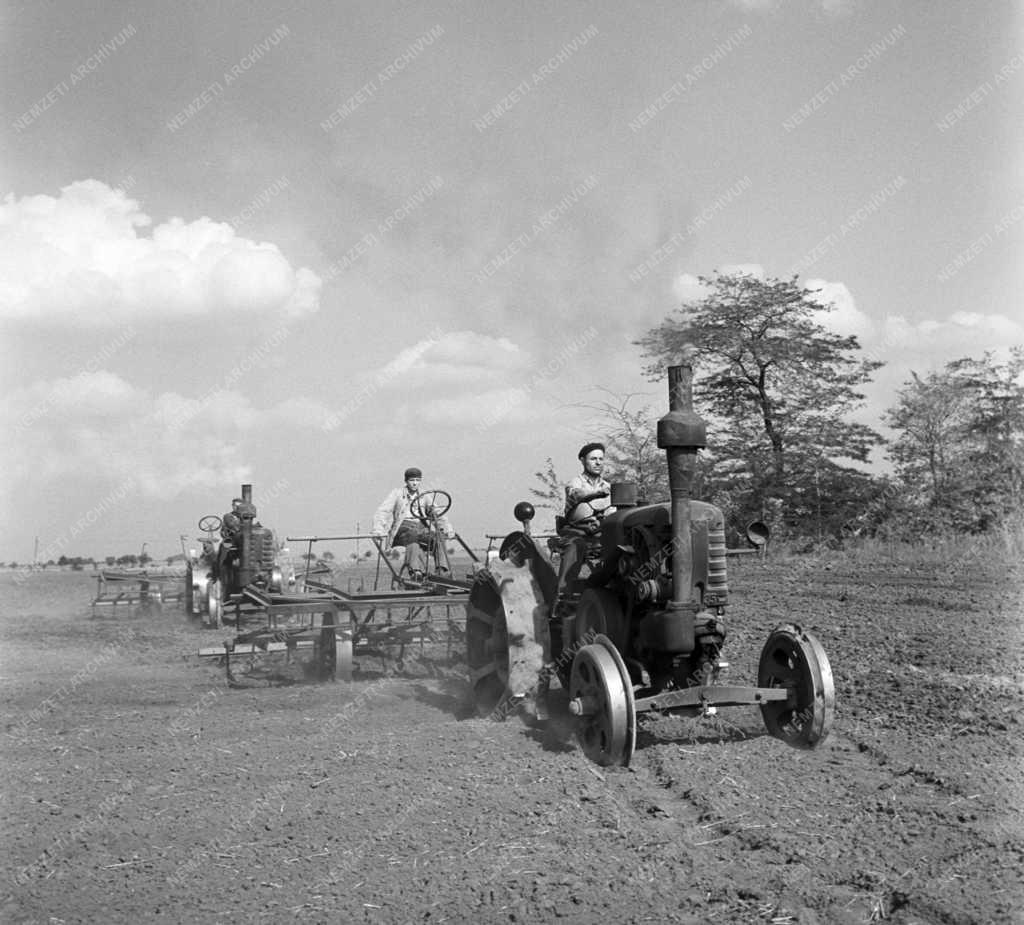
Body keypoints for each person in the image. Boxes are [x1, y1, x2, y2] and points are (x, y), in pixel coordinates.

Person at [372, 467, 454, 580]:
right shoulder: (397, 494)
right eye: (412, 480)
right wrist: (378, 530)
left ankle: (442, 570)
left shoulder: (425, 496)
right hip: (402, 528)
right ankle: (416, 571)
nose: (415, 483)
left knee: (437, 537)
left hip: (420, 528)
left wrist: (447, 529)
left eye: (417, 480)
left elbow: (437, 513)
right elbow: (383, 511)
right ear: (406, 481)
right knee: (412, 535)